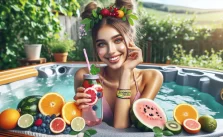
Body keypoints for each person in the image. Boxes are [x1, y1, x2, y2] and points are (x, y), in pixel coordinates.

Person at [74, 0, 163, 129]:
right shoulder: (85, 76)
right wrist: (77, 108)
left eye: (118, 40)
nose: (111, 51)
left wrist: (126, 72)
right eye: (102, 44)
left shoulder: (151, 78)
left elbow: (121, 128)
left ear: (130, 38)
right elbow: (83, 124)